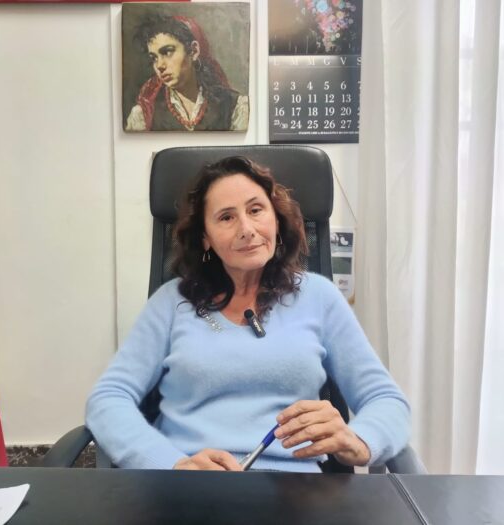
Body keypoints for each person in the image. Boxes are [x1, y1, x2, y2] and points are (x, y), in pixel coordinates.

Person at [86, 156, 410, 472]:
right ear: (205, 238)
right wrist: (173, 464)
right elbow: (108, 399)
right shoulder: (172, 302)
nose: (246, 229)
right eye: (226, 217)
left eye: (256, 210)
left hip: (295, 491)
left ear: (276, 219)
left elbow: (386, 400)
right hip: (189, 485)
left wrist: (358, 441)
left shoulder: (319, 297)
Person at [125, 15, 249, 132]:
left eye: (167, 52)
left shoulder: (233, 105)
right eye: (154, 58)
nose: (159, 65)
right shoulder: (145, 113)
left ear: (193, 51)